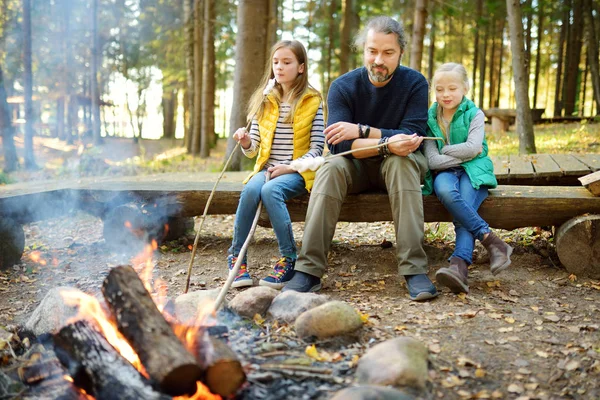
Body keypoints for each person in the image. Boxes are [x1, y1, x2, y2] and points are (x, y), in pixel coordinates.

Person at [283, 16, 438, 301]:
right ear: (363, 50)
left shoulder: (415, 83)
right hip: (353, 167)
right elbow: (339, 146)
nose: (379, 60)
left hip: (400, 166)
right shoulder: (343, 86)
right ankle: (309, 269)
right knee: (330, 166)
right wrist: (385, 142)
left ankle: (414, 269)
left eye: (388, 52)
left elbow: (411, 137)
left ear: (400, 52)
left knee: (400, 161)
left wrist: (362, 131)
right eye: (372, 51)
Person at [228, 40, 325, 289]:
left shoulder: (314, 101)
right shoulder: (265, 100)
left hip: (299, 171)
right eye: (276, 62)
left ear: (301, 67)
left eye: (287, 62)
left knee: (271, 190)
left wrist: (290, 167)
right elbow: (254, 152)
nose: (279, 68)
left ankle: (289, 259)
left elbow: (317, 149)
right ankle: (237, 259)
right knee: (251, 189)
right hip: (267, 168)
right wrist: (247, 141)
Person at [422, 62, 513, 294]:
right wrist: (464, 154)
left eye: (452, 88)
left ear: (465, 88)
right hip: (444, 173)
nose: (446, 94)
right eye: (440, 89)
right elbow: (432, 161)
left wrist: (447, 150)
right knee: (444, 191)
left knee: (464, 205)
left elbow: (473, 148)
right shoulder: (430, 118)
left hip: (476, 172)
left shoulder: (474, 114)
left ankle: (458, 266)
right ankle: (492, 240)